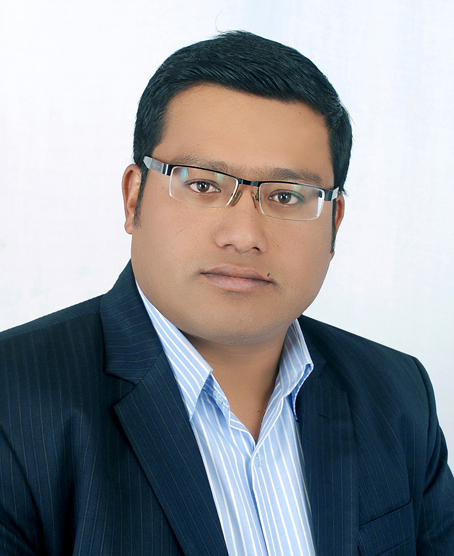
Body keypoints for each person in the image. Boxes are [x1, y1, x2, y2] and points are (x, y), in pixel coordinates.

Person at [0, 31, 452, 556]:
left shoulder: (396, 394)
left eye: (287, 196)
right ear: (132, 197)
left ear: (335, 222)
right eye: (203, 185)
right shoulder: (13, 400)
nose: (243, 235)